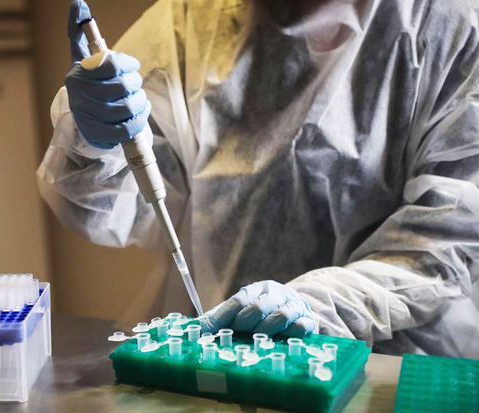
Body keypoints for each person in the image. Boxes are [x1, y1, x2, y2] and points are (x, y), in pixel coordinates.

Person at [37, 0, 479, 359]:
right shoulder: (188, 22)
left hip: (399, 359)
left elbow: (451, 239)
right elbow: (107, 212)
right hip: (227, 351)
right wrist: (92, 145)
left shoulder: (448, 24)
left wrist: (318, 305)